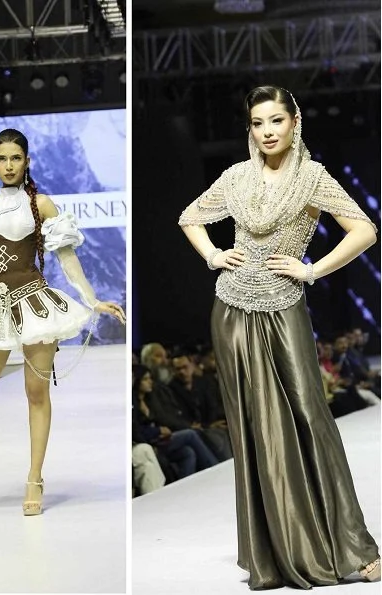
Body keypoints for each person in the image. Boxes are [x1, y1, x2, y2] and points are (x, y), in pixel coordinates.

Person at [178, 85, 379, 587]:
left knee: (310, 416)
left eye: (276, 120)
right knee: (253, 428)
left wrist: (312, 270)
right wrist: (213, 255)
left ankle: (352, 548)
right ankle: (271, 552)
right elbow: (190, 218)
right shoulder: (236, 177)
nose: (267, 131)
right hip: (230, 310)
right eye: (257, 123)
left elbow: (365, 231)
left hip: (285, 306)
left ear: (294, 122)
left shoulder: (312, 178)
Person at [0, 128, 126, 518]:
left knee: (36, 395)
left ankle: (34, 479)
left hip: (35, 308)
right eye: (2, 159)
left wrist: (92, 300)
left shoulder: (41, 204)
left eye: (15, 158)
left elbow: (67, 259)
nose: (9, 165)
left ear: (27, 161)